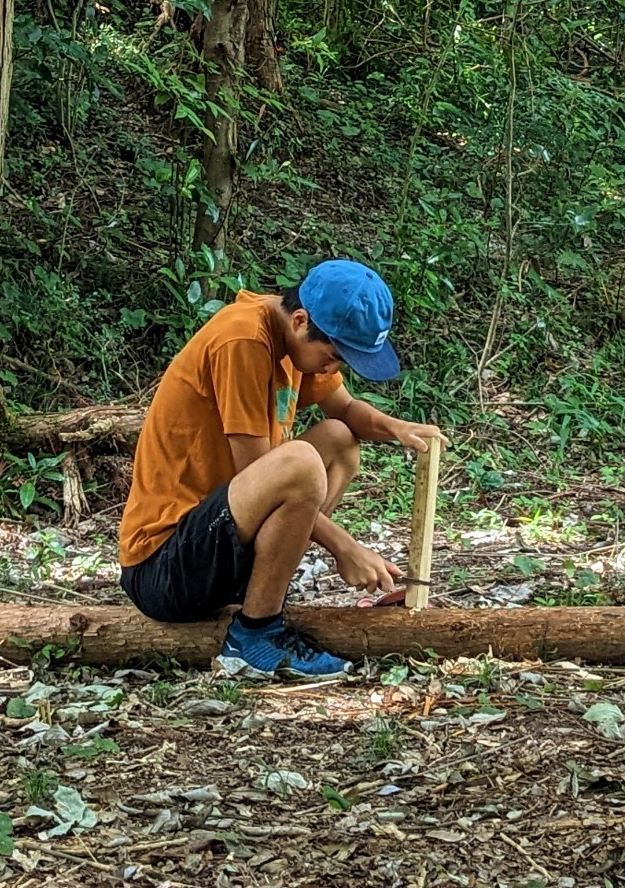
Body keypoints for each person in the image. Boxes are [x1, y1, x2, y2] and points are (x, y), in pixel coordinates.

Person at [117, 259, 448, 677]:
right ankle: (253, 634)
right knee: (300, 462)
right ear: (299, 320)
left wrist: (397, 428)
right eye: (331, 356)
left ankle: (261, 595)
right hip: (163, 568)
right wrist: (346, 549)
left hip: (213, 548)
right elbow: (259, 470)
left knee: (339, 442)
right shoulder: (242, 341)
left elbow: (344, 410)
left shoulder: (290, 341)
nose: (332, 369)